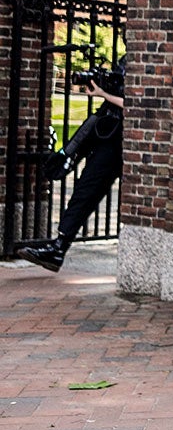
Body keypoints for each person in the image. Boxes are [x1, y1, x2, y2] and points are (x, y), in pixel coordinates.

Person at [17, 61, 126, 272]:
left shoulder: (145, 58)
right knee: (84, 191)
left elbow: (138, 105)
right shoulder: (126, 59)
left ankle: (58, 248)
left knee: (91, 191)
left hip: (125, 141)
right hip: (108, 134)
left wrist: (104, 93)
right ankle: (58, 248)